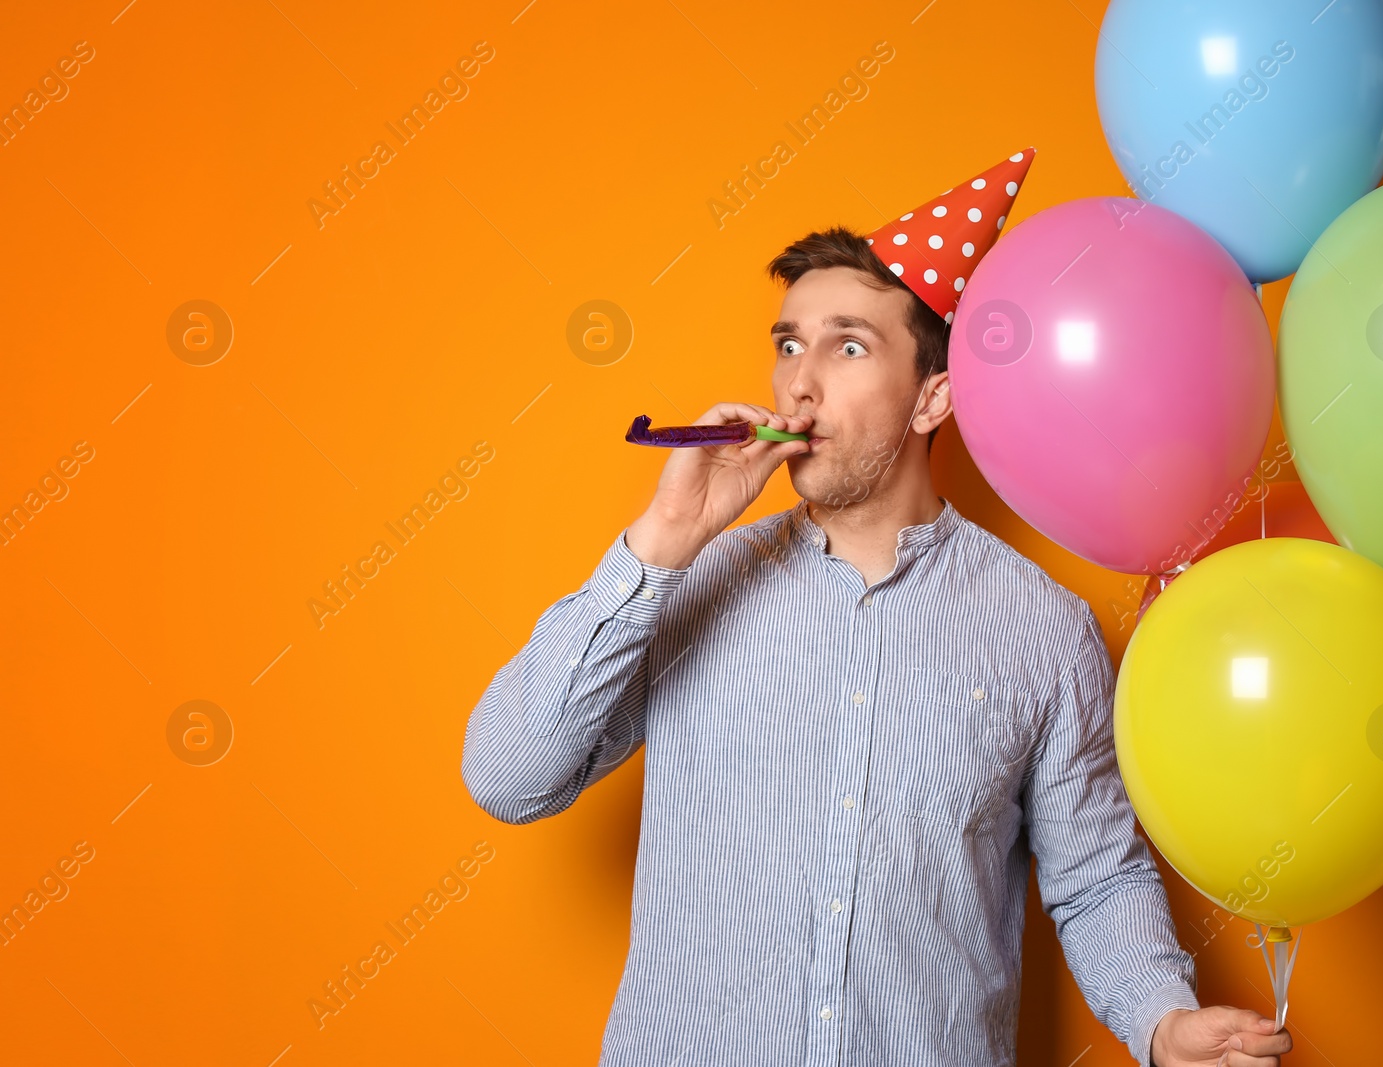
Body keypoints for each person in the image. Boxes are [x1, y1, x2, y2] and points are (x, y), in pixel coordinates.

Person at [460, 151, 1293, 1067]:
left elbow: (1097, 876)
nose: (800, 383)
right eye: (789, 345)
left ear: (934, 394)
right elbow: (507, 775)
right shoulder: (683, 583)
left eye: (847, 346)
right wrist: (659, 541)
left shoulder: (1045, 631)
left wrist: (1160, 1018)